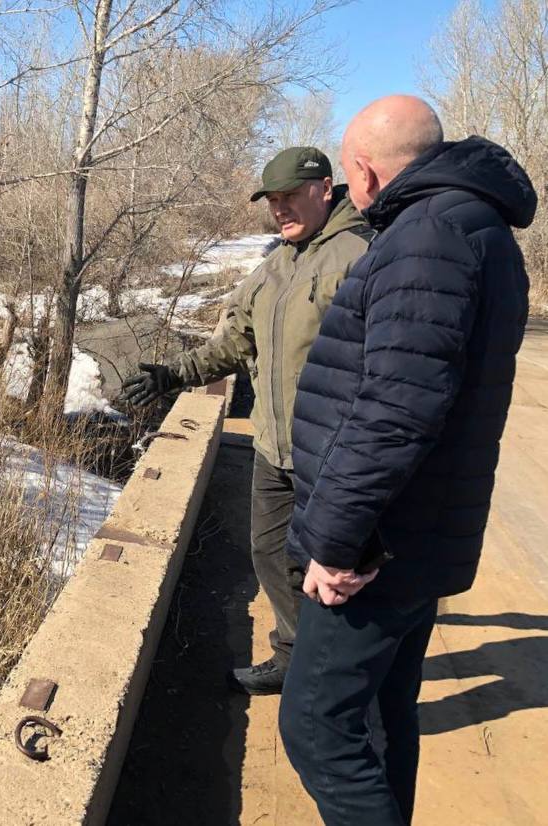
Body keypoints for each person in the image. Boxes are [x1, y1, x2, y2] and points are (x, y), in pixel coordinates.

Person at [278, 95, 537, 826]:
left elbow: (396, 409)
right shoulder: (473, 228)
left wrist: (334, 541)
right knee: (383, 719)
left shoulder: (428, 238)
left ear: (361, 170)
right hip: (415, 537)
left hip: (376, 548)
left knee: (318, 730)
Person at [121, 147, 372, 695]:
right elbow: (237, 340)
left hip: (331, 454)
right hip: (272, 446)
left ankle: (338, 679)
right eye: (272, 200)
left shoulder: (360, 256)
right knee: (269, 552)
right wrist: (174, 373)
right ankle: (293, 655)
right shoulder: (277, 263)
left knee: (335, 573)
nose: (280, 209)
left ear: (325, 189)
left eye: (290, 197)